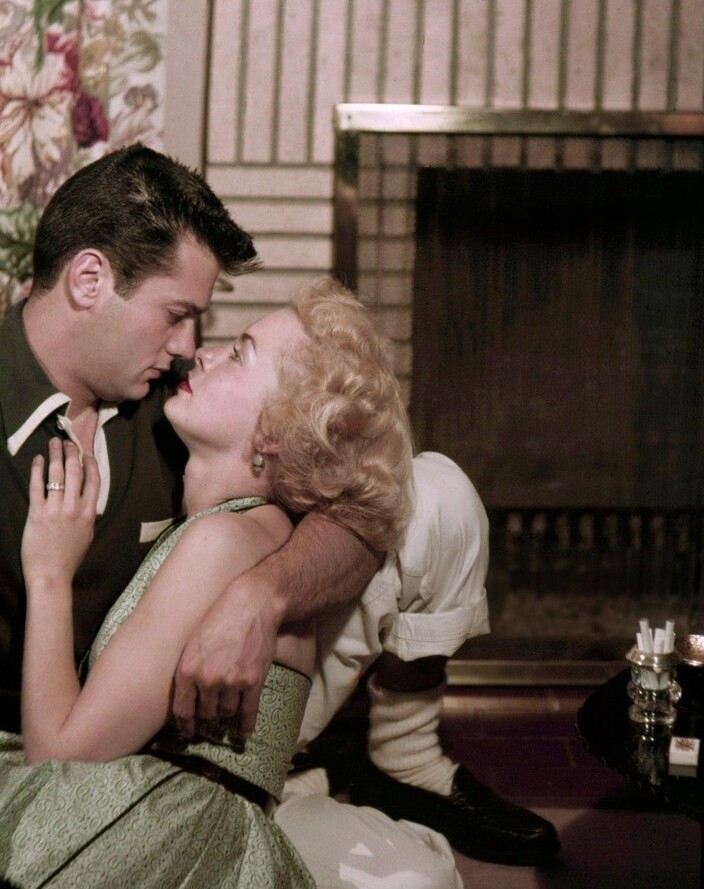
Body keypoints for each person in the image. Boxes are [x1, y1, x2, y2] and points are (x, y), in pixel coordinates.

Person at [0, 144, 558, 880]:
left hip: (220, 708)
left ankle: (404, 755)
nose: (192, 348)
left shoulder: (176, 397)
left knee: (433, 492)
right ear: (89, 280)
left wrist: (258, 598)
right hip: (75, 748)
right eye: (177, 315)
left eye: (203, 325)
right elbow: (58, 758)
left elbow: (358, 511)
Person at [0, 283, 414, 887]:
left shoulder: (223, 544)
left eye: (240, 355)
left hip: (160, 835)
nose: (204, 353)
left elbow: (58, 758)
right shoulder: (255, 532)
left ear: (275, 436)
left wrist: (48, 574)